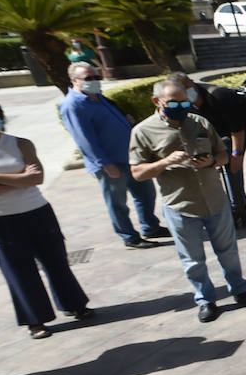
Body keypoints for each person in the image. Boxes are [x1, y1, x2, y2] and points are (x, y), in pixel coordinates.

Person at [129, 78, 246, 323]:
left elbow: (222, 155)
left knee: (228, 252)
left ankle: (240, 290)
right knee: (193, 259)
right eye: (174, 103)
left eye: (184, 102)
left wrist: (211, 161)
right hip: (181, 206)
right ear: (157, 101)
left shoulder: (200, 122)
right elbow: (137, 173)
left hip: (215, 200)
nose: (181, 107)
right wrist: (165, 162)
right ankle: (206, 300)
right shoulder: (143, 131)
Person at [0, 103, 94, 339]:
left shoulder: (20, 143)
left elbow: (37, 177)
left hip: (37, 211)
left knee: (56, 261)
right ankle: (36, 320)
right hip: (2, 221)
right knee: (19, 271)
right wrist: (21, 178)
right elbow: (27, 178)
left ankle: (74, 304)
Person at [59, 62, 169, 249]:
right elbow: (84, 139)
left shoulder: (98, 97)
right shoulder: (73, 105)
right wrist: (105, 164)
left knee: (146, 194)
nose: (94, 81)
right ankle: (129, 236)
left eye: (96, 77)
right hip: (110, 162)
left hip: (130, 158)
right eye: (88, 78)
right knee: (117, 202)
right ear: (74, 80)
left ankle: (150, 227)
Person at [170, 72, 246, 228]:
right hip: (226, 136)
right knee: (232, 173)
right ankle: (239, 209)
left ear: (192, 83)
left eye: (186, 88)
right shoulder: (185, 106)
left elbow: (237, 130)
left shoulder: (219, 95)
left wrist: (237, 154)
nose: (185, 94)